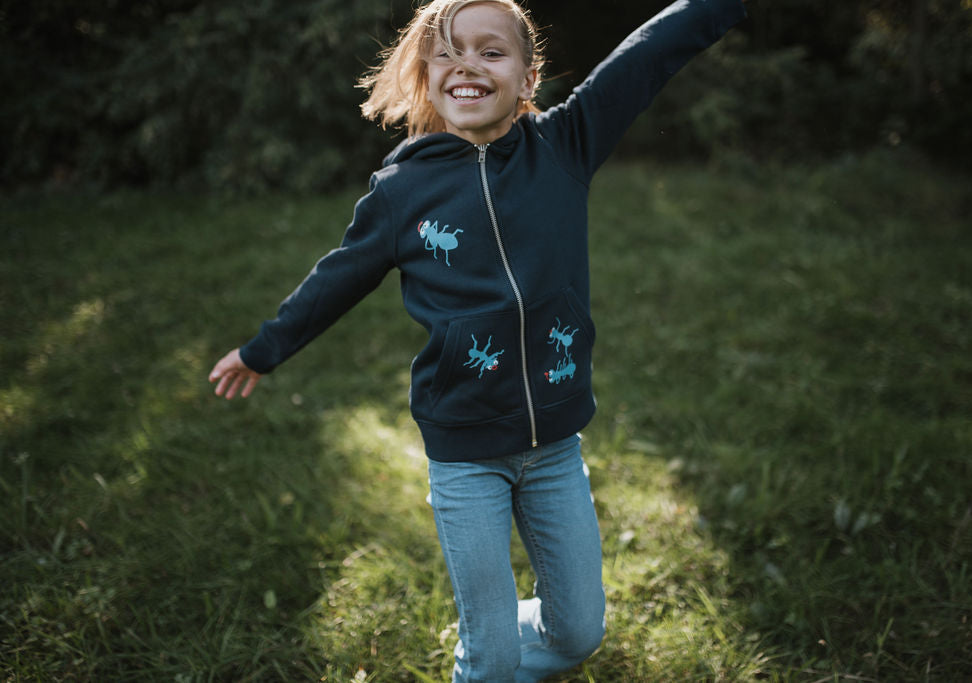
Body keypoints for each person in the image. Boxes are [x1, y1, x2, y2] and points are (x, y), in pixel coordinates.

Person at [208, 1, 747, 680]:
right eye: (449, 51)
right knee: (489, 661)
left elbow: (645, 56)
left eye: (492, 52)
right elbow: (338, 277)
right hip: (465, 453)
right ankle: (483, 654)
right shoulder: (402, 191)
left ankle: (490, 639)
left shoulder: (564, 146)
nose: (468, 62)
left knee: (578, 632)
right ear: (426, 77)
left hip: (553, 446)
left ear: (527, 79)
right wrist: (264, 348)